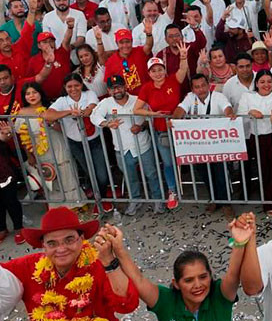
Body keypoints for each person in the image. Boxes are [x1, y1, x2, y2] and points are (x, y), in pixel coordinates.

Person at [104, 214, 254, 321]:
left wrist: (239, 243)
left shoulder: (220, 297)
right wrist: (118, 249)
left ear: (210, 276)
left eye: (203, 277)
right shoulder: (165, 302)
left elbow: (233, 273)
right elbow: (138, 280)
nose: (198, 285)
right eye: (188, 280)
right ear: (176, 284)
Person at [0, 207, 139, 321]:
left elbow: (127, 306)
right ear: (43, 245)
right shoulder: (28, 267)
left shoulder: (99, 265)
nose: (61, 249)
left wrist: (110, 262)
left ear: (82, 238)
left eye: (69, 240)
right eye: (52, 243)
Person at [91, 75, 165, 216]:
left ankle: (158, 199)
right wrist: (107, 124)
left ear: (125, 87)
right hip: (122, 148)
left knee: (152, 174)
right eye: (113, 88)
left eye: (119, 86)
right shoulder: (106, 103)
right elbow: (94, 116)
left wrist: (141, 126)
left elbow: (150, 117)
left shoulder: (138, 99)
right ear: (108, 90)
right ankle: (135, 200)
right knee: (130, 176)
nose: (116, 90)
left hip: (143, 145)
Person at [44, 73, 112, 212]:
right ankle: (100, 201)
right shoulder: (62, 101)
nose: (73, 89)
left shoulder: (89, 94)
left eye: (76, 85)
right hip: (76, 143)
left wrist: (81, 113)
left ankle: (103, 198)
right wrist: (69, 112)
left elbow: (92, 107)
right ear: (65, 87)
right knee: (89, 172)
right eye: (69, 86)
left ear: (81, 85)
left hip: (94, 140)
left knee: (101, 174)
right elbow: (47, 115)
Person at [134, 50, 190, 211]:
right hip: (161, 130)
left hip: (180, 129)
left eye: (160, 69)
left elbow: (183, 70)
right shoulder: (147, 88)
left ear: (164, 70)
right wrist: (152, 114)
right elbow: (136, 109)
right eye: (154, 70)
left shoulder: (172, 80)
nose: (157, 73)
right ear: (149, 73)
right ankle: (172, 190)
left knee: (185, 158)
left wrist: (183, 57)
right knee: (168, 162)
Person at [173, 73, 236, 215]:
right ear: (192, 89)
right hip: (199, 145)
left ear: (208, 85)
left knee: (221, 173)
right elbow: (180, 110)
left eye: (203, 85)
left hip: (218, 143)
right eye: (197, 87)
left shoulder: (218, 96)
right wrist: (174, 120)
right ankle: (214, 199)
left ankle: (226, 203)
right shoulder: (190, 98)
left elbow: (227, 108)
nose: (200, 89)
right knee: (204, 173)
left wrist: (229, 114)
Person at [14, 81, 84, 208]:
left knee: (66, 172)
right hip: (39, 150)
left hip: (58, 145)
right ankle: (57, 208)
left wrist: (51, 122)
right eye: (28, 94)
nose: (32, 96)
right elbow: (24, 138)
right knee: (50, 177)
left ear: (40, 93)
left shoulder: (52, 108)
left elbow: (62, 129)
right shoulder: (22, 113)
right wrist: (29, 155)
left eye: (34, 92)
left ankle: (76, 206)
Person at [237, 69, 272, 213]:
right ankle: (268, 203)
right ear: (257, 83)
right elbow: (241, 113)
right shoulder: (247, 96)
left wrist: (260, 114)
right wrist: (250, 112)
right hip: (256, 137)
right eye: (262, 82)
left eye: (269, 81)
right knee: (263, 169)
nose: (266, 85)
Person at [0, 119, 24, 245]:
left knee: (11, 202)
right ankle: (2, 229)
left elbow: (3, 138)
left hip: (4, 174)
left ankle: (19, 228)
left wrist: (6, 134)